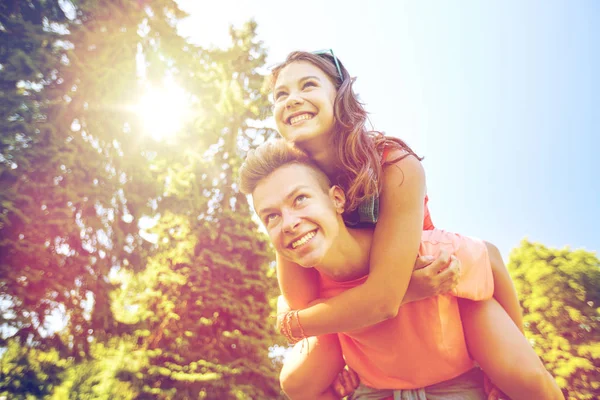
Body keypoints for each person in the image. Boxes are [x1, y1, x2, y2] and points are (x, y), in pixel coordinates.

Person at [254, 50, 562, 399]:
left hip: (434, 295)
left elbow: (485, 257)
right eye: (281, 94)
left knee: (529, 380)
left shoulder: (392, 164)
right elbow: (297, 300)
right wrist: (294, 319)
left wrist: (293, 323)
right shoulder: (288, 187)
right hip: (359, 313)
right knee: (296, 381)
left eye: (308, 85)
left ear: (340, 97)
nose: (292, 99)